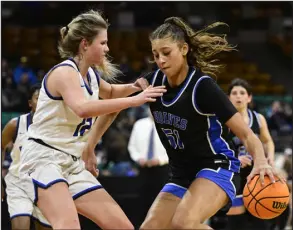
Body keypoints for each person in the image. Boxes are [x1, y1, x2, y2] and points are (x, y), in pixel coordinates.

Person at [18, 9, 166, 230]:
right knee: (68, 226)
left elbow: (112, 93)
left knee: (122, 226)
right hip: (43, 159)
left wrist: (134, 87)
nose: (107, 48)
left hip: (71, 161)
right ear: (85, 44)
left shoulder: (91, 76)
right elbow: (83, 109)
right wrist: (135, 101)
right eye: (103, 42)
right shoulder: (65, 72)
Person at [137, 17, 284, 230]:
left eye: (166, 53)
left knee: (183, 223)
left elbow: (247, 135)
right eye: (155, 54)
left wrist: (261, 162)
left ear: (184, 49)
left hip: (217, 167)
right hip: (181, 175)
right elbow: (113, 97)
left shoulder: (203, 86)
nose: (160, 60)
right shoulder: (153, 82)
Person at [225, 78, 275, 230]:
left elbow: (268, 141)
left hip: (256, 175)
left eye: (242, 93)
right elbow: (216, 148)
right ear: (228, 98)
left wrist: (269, 158)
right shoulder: (222, 120)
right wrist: (235, 159)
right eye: (234, 93)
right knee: (236, 224)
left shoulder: (258, 119)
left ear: (249, 97)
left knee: (260, 221)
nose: (238, 96)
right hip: (235, 176)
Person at [1, 84, 51, 230]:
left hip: (45, 184)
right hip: (18, 183)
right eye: (38, 98)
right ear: (30, 103)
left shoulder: (56, 127)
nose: (42, 101)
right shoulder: (15, 124)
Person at [128, 107, 169, 224]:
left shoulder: (167, 125)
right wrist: (138, 158)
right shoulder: (139, 124)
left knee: (161, 200)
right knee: (142, 200)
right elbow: (132, 146)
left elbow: (174, 148)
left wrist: (160, 160)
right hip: (143, 168)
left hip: (163, 169)